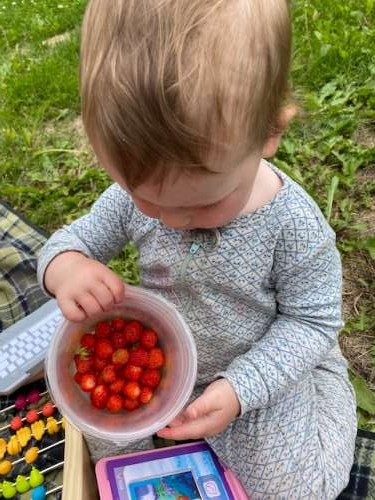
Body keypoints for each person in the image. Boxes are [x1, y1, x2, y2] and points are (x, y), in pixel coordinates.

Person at [37, 0, 357, 497]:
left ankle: (323, 396)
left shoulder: (294, 227)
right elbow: (72, 240)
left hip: (253, 365)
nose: (168, 220)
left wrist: (240, 390)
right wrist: (66, 267)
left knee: (296, 487)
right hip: (163, 360)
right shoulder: (134, 195)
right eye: (146, 199)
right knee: (110, 446)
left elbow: (312, 321)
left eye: (201, 205)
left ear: (270, 131)